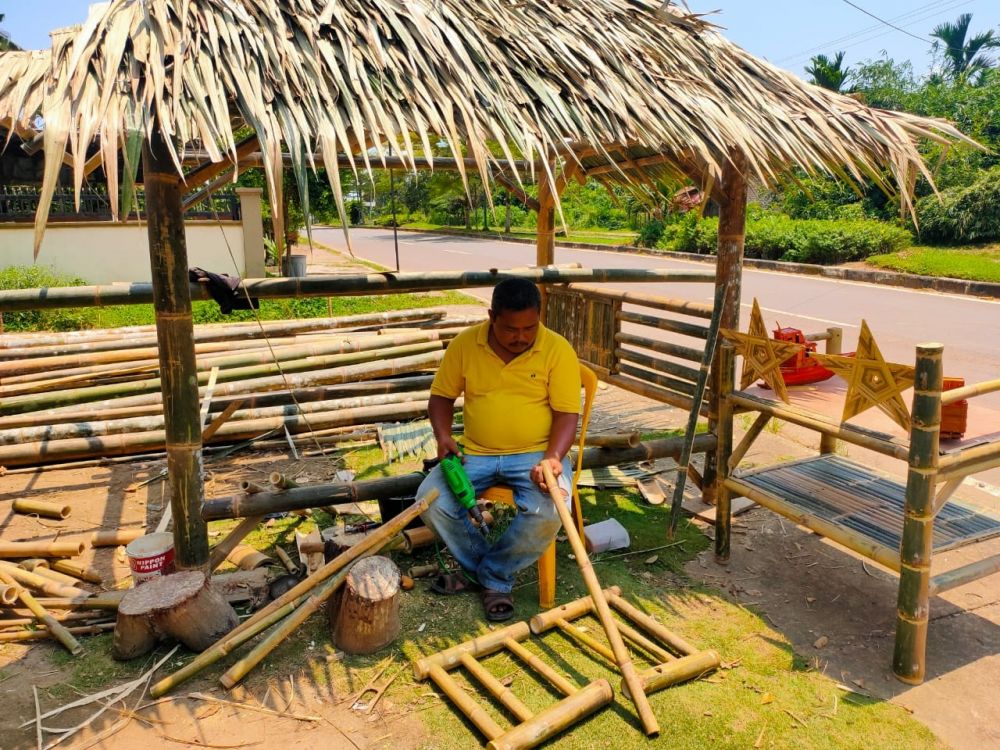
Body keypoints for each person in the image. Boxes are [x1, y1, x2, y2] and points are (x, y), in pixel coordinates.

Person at [417, 277, 581, 621]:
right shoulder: (465, 345)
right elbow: (441, 397)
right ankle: (493, 575)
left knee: (550, 511)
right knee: (431, 502)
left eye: (529, 327)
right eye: (510, 329)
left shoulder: (557, 349)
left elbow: (568, 414)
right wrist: (443, 435)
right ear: (492, 316)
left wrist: (553, 458)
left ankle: (487, 575)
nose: (521, 337)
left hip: (537, 453)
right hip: (475, 453)